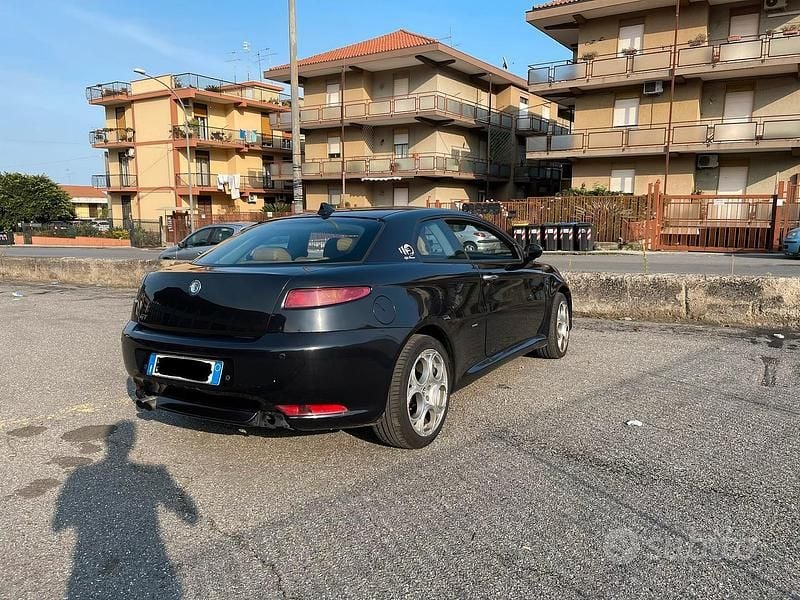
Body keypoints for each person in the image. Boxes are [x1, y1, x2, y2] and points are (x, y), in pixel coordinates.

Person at [53, 420, 198, 599]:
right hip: (150, 545)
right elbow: (191, 516)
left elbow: (59, 523)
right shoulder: (157, 472)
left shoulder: (80, 474)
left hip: (88, 550)